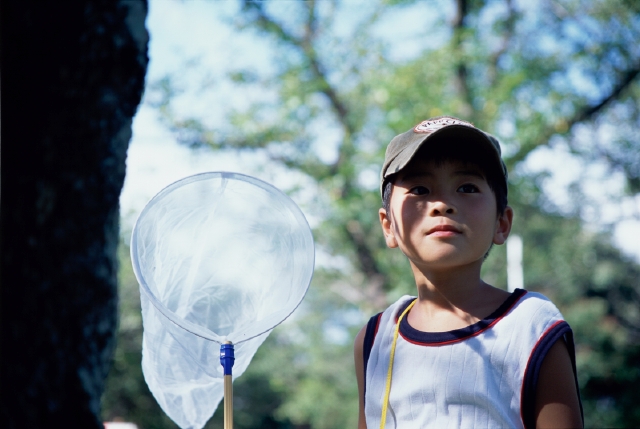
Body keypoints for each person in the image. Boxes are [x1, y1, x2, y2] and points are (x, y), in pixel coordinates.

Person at [354, 116, 583, 429]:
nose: (442, 204)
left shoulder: (532, 326)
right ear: (389, 226)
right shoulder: (375, 339)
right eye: (420, 189)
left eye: (467, 187)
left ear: (502, 223)